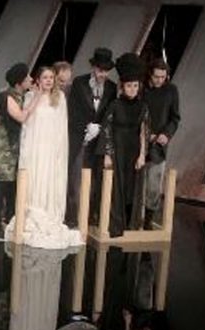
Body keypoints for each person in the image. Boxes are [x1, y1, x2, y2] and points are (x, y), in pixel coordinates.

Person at [4, 65, 82, 248]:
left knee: (48, 179)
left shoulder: (59, 98)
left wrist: (59, 151)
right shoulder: (30, 97)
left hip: (51, 148)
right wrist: (26, 152)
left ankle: (49, 212)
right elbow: (26, 126)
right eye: (45, 77)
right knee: (35, 179)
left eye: (51, 77)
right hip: (35, 148)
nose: (49, 81)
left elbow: (62, 127)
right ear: (38, 80)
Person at [98, 53, 149, 237]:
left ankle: (131, 226)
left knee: (132, 188)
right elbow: (106, 129)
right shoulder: (115, 105)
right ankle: (116, 227)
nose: (132, 89)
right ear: (122, 86)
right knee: (116, 187)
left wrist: (142, 155)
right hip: (118, 150)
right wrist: (107, 154)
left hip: (134, 151)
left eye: (135, 86)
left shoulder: (143, 106)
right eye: (129, 86)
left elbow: (144, 131)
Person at [67, 48, 117, 226]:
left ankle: (89, 217)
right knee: (76, 177)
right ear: (94, 68)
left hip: (98, 141)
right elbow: (73, 110)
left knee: (95, 179)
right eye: (100, 70)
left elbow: (110, 113)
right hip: (79, 137)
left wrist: (99, 128)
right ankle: (72, 217)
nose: (103, 74)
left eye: (106, 71)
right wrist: (86, 127)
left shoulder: (112, 88)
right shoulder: (79, 83)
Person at [0, 63, 38, 232]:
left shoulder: (19, 96)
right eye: (27, 77)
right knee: (1, 186)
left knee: (12, 187)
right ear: (19, 82)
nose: (31, 79)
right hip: (3, 151)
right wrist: (36, 99)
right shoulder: (5, 97)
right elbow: (21, 117)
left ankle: (9, 219)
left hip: (15, 150)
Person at [142, 58, 180, 229]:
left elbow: (175, 118)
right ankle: (132, 220)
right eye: (156, 77)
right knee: (136, 185)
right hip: (139, 142)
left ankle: (148, 221)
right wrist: (147, 134)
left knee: (154, 186)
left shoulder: (171, 90)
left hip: (159, 146)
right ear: (150, 74)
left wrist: (166, 134)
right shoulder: (142, 89)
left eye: (163, 77)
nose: (159, 80)